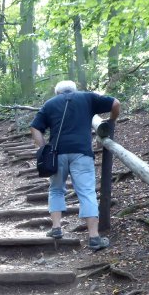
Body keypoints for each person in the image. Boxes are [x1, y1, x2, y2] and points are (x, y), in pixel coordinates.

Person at [30, 80, 120, 250]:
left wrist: (43, 148)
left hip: (57, 154)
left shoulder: (50, 104)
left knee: (56, 189)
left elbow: (35, 128)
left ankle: (56, 228)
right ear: (74, 89)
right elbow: (115, 103)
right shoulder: (87, 98)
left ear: (58, 93)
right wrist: (111, 120)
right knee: (86, 192)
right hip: (82, 152)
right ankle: (94, 237)